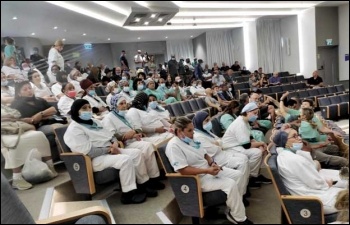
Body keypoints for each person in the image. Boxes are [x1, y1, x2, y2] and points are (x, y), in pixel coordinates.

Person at [63, 99, 159, 204]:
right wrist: (109, 149)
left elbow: (111, 136)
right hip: (94, 159)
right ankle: (128, 194)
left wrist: (115, 144)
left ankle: (142, 184)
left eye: (89, 107)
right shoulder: (74, 129)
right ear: (76, 111)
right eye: (84, 108)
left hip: (111, 150)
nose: (88, 110)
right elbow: (88, 152)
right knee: (125, 160)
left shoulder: (95, 121)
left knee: (136, 153)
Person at [166, 117, 254, 224]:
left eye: (193, 129)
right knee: (230, 184)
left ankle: (233, 208)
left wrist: (212, 163)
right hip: (197, 178)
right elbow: (183, 170)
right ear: (179, 131)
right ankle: (239, 218)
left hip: (208, 170)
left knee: (239, 175)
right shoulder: (173, 146)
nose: (193, 133)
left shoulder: (192, 139)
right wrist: (207, 171)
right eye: (189, 130)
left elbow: (205, 154)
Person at [272, 129, 347, 215]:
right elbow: (316, 183)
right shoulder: (293, 159)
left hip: (312, 194)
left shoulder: (287, 155)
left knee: (344, 185)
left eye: (298, 135)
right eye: (294, 136)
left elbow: (310, 172)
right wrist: (328, 183)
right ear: (285, 141)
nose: (299, 138)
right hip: (316, 200)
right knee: (344, 188)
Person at [101, 95, 166, 190]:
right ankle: (145, 181)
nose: (124, 105)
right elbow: (111, 136)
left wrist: (135, 133)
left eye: (125, 103)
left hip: (136, 139)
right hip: (124, 144)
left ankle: (154, 177)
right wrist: (126, 135)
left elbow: (137, 127)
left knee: (150, 146)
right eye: (121, 104)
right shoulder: (108, 119)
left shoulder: (126, 115)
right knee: (146, 147)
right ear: (115, 105)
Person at [192, 111, 250, 200]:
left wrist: (217, 143)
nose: (209, 122)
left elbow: (220, 141)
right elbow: (213, 150)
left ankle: (243, 187)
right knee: (242, 162)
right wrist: (217, 144)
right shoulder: (198, 136)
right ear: (200, 123)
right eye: (206, 121)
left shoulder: (206, 131)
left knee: (244, 158)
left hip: (222, 154)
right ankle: (240, 194)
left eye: (209, 119)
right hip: (216, 159)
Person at [1, 104, 58, 190]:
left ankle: (50, 166)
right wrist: (4, 118)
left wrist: (11, 117)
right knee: (14, 143)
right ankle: (17, 179)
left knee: (39, 135)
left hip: (13, 126)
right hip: (3, 132)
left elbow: (16, 113)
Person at [221, 102, 271, 189]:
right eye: (254, 113)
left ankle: (255, 175)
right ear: (247, 112)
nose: (256, 116)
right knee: (257, 152)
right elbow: (247, 145)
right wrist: (262, 143)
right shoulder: (240, 124)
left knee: (259, 150)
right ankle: (250, 178)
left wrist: (258, 144)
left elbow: (250, 136)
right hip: (231, 148)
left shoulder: (245, 121)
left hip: (237, 145)